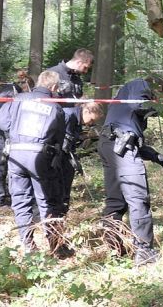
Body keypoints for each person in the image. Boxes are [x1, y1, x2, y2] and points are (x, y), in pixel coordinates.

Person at [0, 70, 72, 257]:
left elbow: (1, 122)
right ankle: (56, 247)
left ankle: (28, 245)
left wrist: (16, 132)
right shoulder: (55, 107)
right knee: (48, 201)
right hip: (41, 157)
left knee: (20, 201)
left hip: (16, 155)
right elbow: (60, 137)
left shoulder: (18, 99)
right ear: (53, 87)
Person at [98, 75, 163, 266]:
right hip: (121, 147)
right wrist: (160, 108)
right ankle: (144, 250)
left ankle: (113, 247)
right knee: (138, 198)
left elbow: (132, 139)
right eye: (158, 97)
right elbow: (139, 106)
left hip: (111, 144)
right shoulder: (140, 84)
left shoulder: (126, 103)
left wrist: (156, 157)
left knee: (116, 200)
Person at [46, 48, 94, 216]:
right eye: (86, 67)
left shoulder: (77, 79)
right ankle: (49, 212)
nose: (86, 71)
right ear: (80, 62)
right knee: (54, 175)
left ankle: (62, 210)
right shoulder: (53, 73)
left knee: (68, 172)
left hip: (71, 133)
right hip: (54, 135)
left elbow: (76, 103)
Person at [0, 70, 34, 208]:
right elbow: (0, 117)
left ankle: (2, 196)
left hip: (4, 135)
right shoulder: (9, 93)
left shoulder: (13, 93)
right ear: (26, 87)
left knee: (5, 166)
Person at [57, 102, 104, 215]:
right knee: (60, 181)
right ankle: (57, 211)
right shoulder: (69, 116)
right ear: (87, 111)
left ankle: (63, 210)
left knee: (68, 176)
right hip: (58, 154)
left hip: (66, 153)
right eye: (92, 120)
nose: (91, 124)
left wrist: (85, 137)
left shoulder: (77, 119)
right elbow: (65, 140)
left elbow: (72, 138)